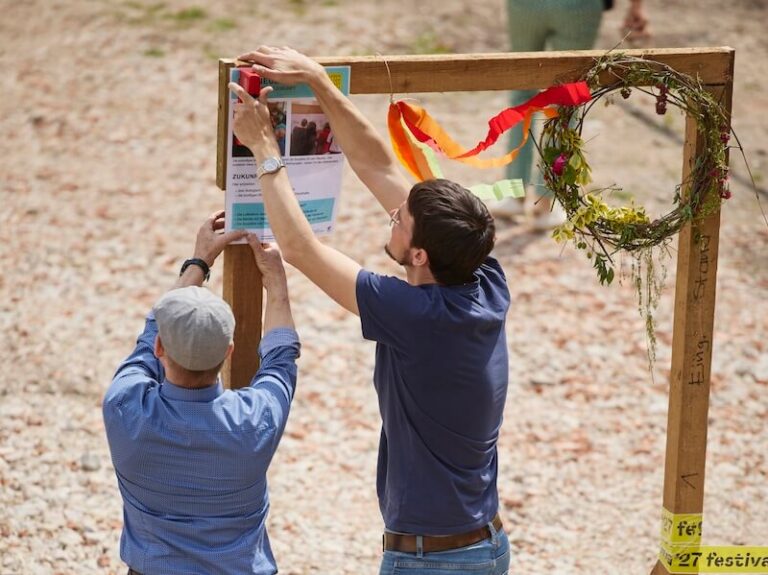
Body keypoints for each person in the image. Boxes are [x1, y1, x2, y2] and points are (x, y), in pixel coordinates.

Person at [230, 46, 511, 575]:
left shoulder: (415, 315)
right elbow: (378, 165)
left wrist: (264, 146)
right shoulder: (484, 276)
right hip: (484, 545)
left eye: (399, 220)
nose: (392, 214)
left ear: (420, 255)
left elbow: (302, 249)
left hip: (434, 561)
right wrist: (320, 82)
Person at [102, 211, 300, 575]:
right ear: (228, 352)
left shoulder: (124, 404)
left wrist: (200, 261)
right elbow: (280, 359)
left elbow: (150, 333)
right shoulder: (255, 419)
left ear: (161, 349)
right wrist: (276, 284)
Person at [495, 0, 650, 228]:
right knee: (566, 101)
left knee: (522, 92)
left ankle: (514, 193)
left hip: (525, 6)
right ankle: (545, 202)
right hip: (578, 7)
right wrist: (636, 8)